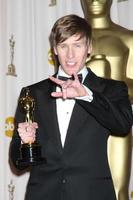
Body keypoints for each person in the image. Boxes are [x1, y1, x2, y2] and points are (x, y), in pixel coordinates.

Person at [10, 14, 133, 200]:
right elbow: (17, 163)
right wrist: (24, 141)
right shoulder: (32, 93)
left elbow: (122, 125)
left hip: (92, 194)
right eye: (63, 45)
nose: (70, 55)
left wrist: (87, 95)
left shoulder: (111, 89)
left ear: (89, 47)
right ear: (55, 50)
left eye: (77, 45)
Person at [81, 0, 133, 102]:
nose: (94, 1)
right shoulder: (68, 40)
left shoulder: (128, 38)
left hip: (115, 114)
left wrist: (105, 85)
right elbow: (60, 83)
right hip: (79, 114)